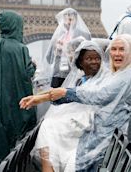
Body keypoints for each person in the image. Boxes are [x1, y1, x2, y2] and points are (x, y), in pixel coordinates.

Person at [20, 34, 131, 171]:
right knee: (49, 130)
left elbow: (100, 95)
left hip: (105, 133)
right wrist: (40, 97)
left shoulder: (129, 75)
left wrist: (60, 94)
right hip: (100, 129)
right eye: (114, 49)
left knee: (50, 132)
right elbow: (87, 91)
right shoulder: (120, 73)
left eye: (122, 49)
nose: (116, 53)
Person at [0, 10, 37, 172]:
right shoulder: (20, 49)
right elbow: (25, 76)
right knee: (6, 144)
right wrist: (33, 66)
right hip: (9, 105)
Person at [33, 40, 106, 172]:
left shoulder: (102, 80)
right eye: (89, 58)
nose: (94, 62)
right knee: (47, 128)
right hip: (79, 122)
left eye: (97, 58)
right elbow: (63, 96)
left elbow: (76, 95)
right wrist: (37, 97)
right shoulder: (80, 79)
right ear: (80, 62)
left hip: (90, 124)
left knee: (48, 129)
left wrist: (40, 98)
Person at [44, 8, 91, 88]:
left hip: (76, 76)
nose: (68, 22)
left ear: (76, 19)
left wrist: (70, 52)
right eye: (65, 19)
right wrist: (57, 51)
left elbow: (89, 57)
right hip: (58, 77)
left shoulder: (84, 36)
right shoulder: (57, 37)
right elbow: (49, 59)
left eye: (70, 19)